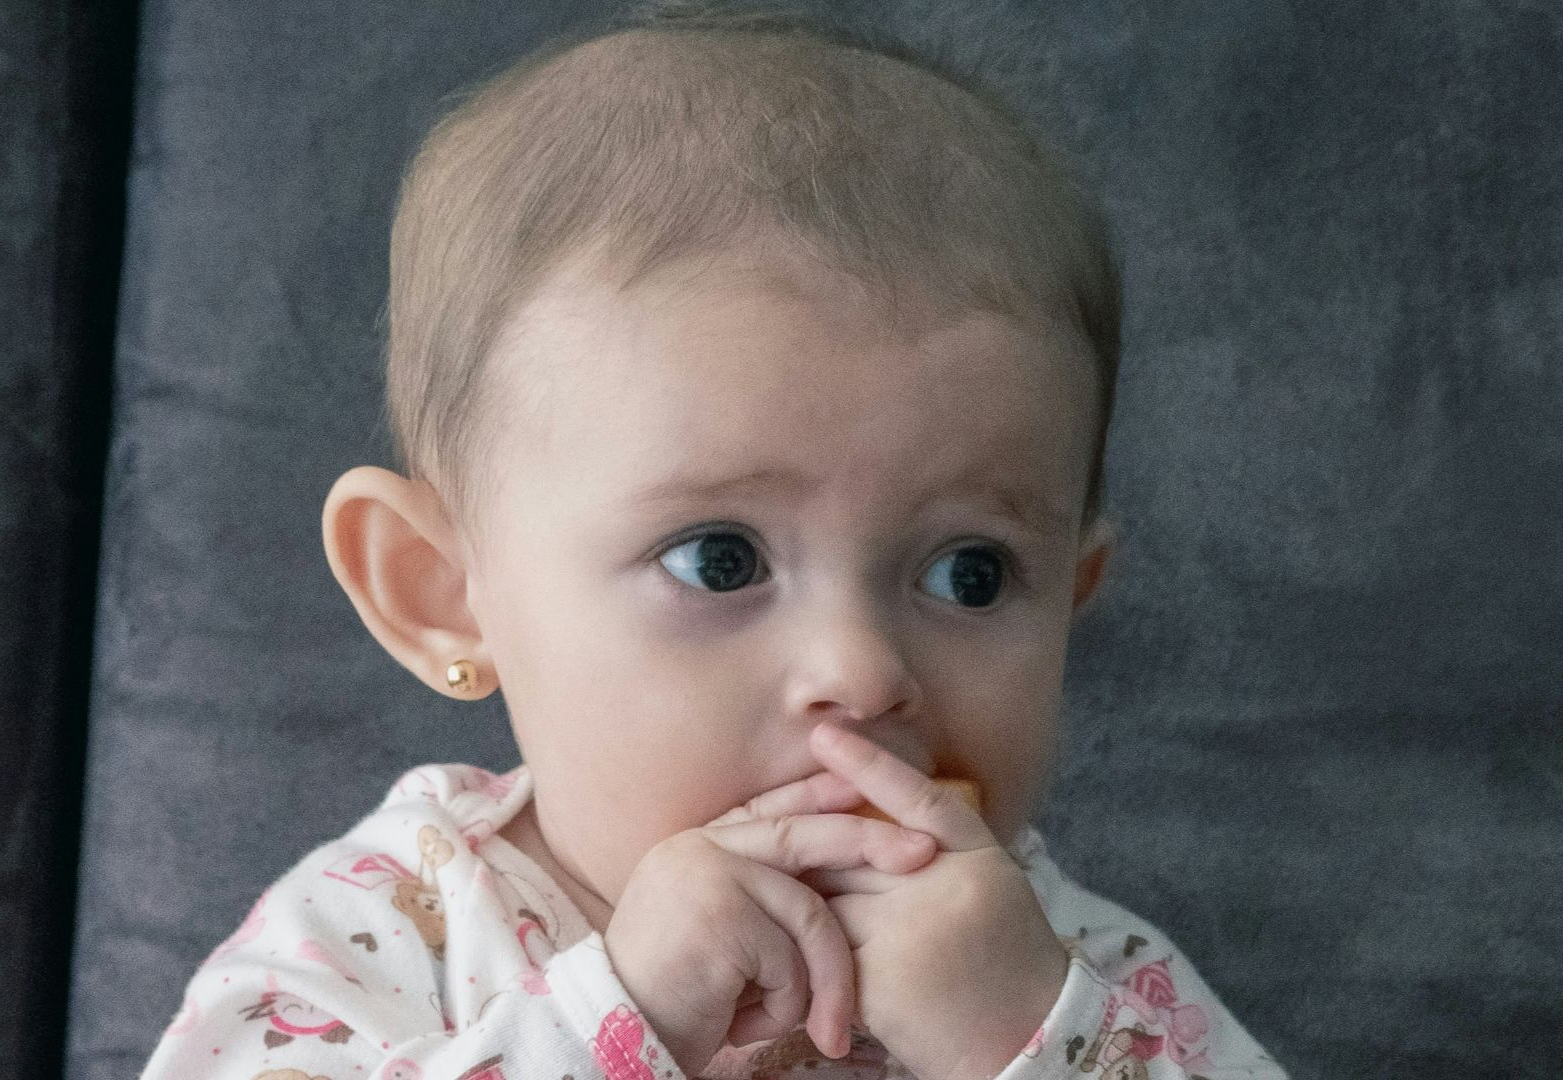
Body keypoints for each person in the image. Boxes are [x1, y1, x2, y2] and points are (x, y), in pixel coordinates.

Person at [138, 2, 1289, 1078]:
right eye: (719, 559)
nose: (862, 670)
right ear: (439, 589)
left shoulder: (1069, 970)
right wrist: (623, 1016)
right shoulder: (388, 929)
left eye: (969, 574)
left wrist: (1027, 1039)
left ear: (1072, 603)